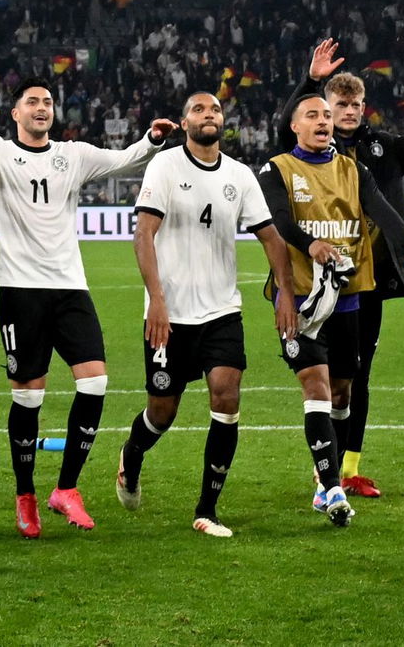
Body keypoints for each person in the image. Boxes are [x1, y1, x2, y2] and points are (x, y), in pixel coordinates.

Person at [0, 77, 174, 538]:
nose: (42, 107)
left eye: (48, 102)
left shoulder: (72, 155)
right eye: (32, 101)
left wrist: (151, 140)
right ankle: (25, 495)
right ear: (15, 113)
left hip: (70, 288)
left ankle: (66, 489)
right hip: (19, 290)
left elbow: (123, 159)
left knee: (95, 383)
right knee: (29, 397)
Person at [115, 92, 295, 537]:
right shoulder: (165, 166)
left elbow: (272, 238)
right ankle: (132, 455)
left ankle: (207, 509)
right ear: (185, 123)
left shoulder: (239, 175)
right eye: (198, 109)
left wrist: (285, 293)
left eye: (215, 109)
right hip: (170, 315)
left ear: (223, 120)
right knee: (162, 412)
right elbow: (143, 235)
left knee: (226, 397)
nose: (208, 114)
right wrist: (156, 300)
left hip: (221, 311)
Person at [280, 38, 404, 498]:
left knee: (358, 375)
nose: (350, 111)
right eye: (341, 104)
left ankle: (348, 469)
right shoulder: (303, 147)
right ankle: (326, 467)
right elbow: (284, 125)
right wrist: (309, 81)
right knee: (320, 376)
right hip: (312, 281)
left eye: (356, 104)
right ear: (323, 108)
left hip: (367, 282)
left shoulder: (381, 149)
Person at [257, 93, 404, 528]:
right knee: (317, 387)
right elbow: (280, 221)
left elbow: (383, 211)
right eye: (312, 115)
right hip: (300, 300)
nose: (323, 121)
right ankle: (331, 487)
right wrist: (310, 244)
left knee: (342, 392)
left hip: (348, 298)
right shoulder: (277, 169)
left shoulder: (354, 170)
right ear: (294, 126)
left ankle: (327, 480)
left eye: (326, 115)